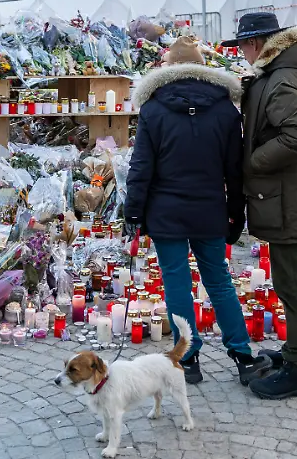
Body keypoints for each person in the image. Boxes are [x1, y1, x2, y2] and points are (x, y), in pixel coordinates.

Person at [124, 36, 270, 386]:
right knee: (218, 281)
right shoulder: (225, 109)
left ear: (169, 69)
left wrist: (134, 212)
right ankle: (242, 355)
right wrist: (236, 213)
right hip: (209, 209)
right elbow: (234, 170)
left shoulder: (154, 109)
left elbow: (141, 166)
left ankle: (187, 359)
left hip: (166, 211)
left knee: (176, 282)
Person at [223, 13, 297, 400]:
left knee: (293, 284)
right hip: (294, 196)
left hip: (290, 200)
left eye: (242, 46)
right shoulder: (285, 71)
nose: (242, 53)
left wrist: (253, 162)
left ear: (256, 44)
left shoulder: (282, 78)